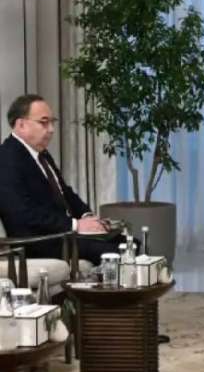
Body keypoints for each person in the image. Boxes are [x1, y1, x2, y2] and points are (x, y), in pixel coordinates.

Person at [0, 94, 124, 264]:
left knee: (129, 243)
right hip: (40, 242)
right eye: (44, 122)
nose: (51, 129)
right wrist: (76, 225)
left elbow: (65, 192)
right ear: (21, 124)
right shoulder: (6, 159)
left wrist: (87, 216)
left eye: (52, 122)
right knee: (115, 251)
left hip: (63, 235)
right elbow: (23, 214)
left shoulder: (41, 154)